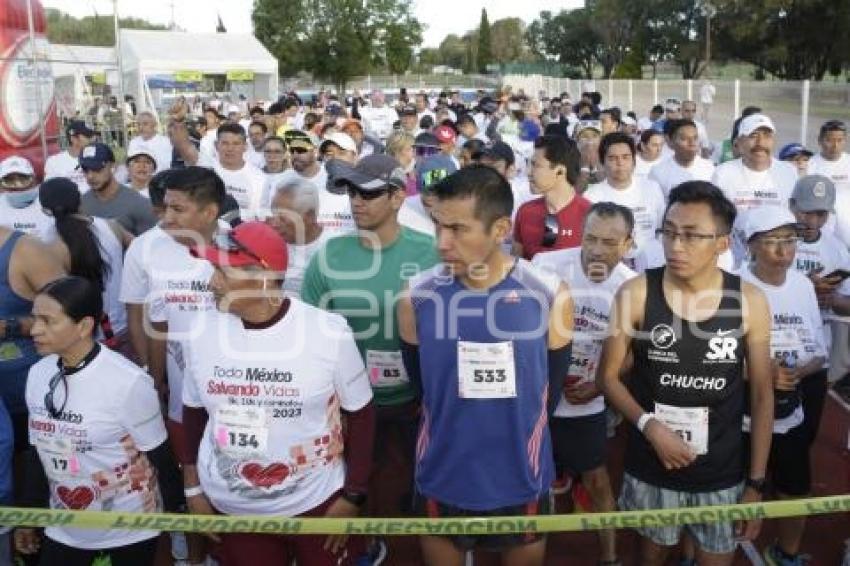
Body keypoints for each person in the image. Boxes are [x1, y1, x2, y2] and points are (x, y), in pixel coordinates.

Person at [398, 165, 574, 566]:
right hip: (442, 474)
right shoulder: (415, 298)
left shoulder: (550, 295)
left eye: (458, 229)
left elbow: (550, 391)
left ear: (500, 229)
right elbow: (422, 389)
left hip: (521, 476)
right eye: (438, 226)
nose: (442, 242)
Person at [597, 181, 773, 566]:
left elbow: (762, 396)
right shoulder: (636, 293)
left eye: (692, 236)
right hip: (651, 465)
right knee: (651, 556)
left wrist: (756, 484)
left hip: (722, 472)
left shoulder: (750, 302)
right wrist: (650, 427)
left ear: (723, 243)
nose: (676, 246)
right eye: (669, 233)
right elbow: (607, 377)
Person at [181, 221, 375, 565]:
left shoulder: (327, 333)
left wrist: (353, 496)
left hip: (316, 503)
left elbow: (361, 415)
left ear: (266, 277)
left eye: (223, 272)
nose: (212, 282)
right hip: (233, 507)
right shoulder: (199, 331)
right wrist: (193, 489)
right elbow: (194, 414)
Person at [302, 157, 440, 562]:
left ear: (398, 196)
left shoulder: (431, 253)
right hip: (353, 401)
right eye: (350, 192)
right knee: (357, 484)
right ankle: (368, 547)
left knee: (426, 481)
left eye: (368, 193)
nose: (356, 201)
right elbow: (312, 332)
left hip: (419, 397)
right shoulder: (329, 255)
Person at [15, 276, 180, 565]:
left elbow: (160, 457)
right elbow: (37, 454)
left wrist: (178, 521)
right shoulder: (38, 374)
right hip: (63, 527)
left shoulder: (127, 382)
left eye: (48, 321)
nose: (35, 329)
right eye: (34, 318)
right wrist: (29, 518)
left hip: (128, 531)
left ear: (84, 326)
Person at [532, 202, 636, 566]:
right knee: (534, 482)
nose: (595, 249)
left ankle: (610, 558)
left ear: (628, 245)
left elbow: (632, 354)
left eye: (609, 242)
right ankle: (529, 552)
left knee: (598, 480)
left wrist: (600, 385)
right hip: (540, 399)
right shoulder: (546, 266)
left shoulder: (631, 286)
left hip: (587, 402)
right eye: (589, 238)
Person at [738, 207, 826, 566]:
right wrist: (759, 372)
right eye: (772, 241)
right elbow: (716, 355)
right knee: (732, 486)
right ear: (751, 245)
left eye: (789, 241)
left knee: (795, 485)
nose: (783, 250)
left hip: (794, 403)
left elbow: (819, 350)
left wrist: (797, 372)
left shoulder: (803, 285)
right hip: (742, 409)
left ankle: (786, 554)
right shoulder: (732, 285)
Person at [39, 177, 133, 358]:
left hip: (80, 339)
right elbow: (141, 250)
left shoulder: (48, 243)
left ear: (45, 210)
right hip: (122, 328)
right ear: (80, 200)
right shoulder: (111, 226)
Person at [0, 225, 64, 454]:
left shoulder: (26, 250)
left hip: (33, 398)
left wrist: (9, 327)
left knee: (34, 470)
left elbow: (70, 313)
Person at [712, 114, 797, 265]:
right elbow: (716, 219)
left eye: (767, 136)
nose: (760, 143)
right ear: (738, 143)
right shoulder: (723, 173)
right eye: (753, 136)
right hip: (734, 261)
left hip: (776, 259)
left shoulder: (788, 172)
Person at [585, 132, 666, 261]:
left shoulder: (652, 188)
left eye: (625, 157)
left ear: (634, 160)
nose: (620, 163)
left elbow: (661, 228)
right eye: (612, 158)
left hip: (653, 265)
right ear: (602, 162)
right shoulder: (591, 197)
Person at [513, 135, 590, 259]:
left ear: (560, 171)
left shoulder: (590, 216)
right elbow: (516, 267)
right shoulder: (525, 211)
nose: (528, 172)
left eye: (535, 165)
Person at [266, 179, 330, 295]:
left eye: (283, 217)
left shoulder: (334, 249)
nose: (274, 223)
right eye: (273, 213)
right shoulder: (267, 241)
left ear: (310, 216)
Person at [78, 143, 158, 236]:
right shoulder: (81, 204)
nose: (90, 176)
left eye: (97, 168)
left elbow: (151, 246)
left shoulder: (140, 204)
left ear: (112, 166)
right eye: (85, 169)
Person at [650, 119, 716, 198]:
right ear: (670, 142)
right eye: (684, 138)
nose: (692, 143)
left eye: (695, 138)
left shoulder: (710, 168)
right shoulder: (658, 172)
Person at [0, 156, 54, 242]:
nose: (18, 185)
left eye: (23, 179)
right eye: (9, 180)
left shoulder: (51, 202)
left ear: (34, 179)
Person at [44, 121, 95, 193]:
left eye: (93, 136)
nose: (93, 139)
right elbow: (50, 190)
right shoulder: (54, 162)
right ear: (73, 139)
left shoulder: (98, 157)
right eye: (88, 136)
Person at [384, 131, 416, 196]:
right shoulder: (389, 178)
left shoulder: (411, 173)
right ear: (397, 152)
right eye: (411, 149)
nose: (414, 154)